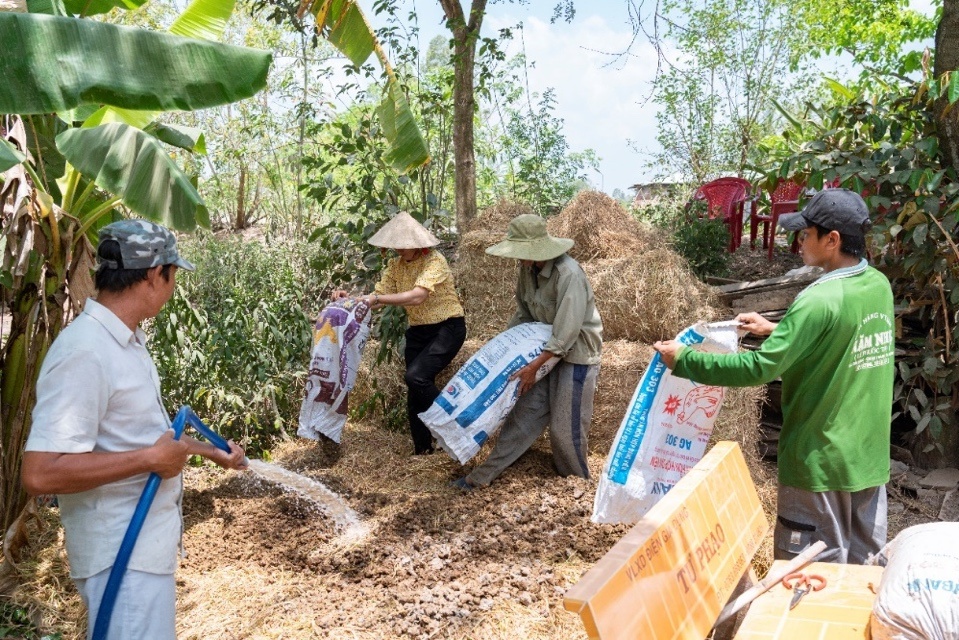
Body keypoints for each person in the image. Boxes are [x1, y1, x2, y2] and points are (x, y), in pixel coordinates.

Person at [21, 220, 248, 640]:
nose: (174, 286)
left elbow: (144, 441)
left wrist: (207, 450)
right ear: (152, 274)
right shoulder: (85, 351)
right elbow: (40, 473)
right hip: (120, 560)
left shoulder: (124, 341)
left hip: (141, 552)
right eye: (173, 274)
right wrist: (148, 460)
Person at [653, 189, 895, 564]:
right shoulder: (877, 285)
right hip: (867, 460)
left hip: (819, 462)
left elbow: (759, 368)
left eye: (806, 233)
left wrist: (686, 360)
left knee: (807, 576)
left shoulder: (817, 300)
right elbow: (840, 338)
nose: (798, 241)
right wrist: (777, 330)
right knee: (864, 574)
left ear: (832, 240)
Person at [453, 214, 603, 490]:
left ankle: (578, 487)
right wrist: (502, 350)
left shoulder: (568, 273)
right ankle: (482, 476)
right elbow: (523, 315)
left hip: (575, 355)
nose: (518, 259)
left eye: (522, 253)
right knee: (524, 416)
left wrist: (534, 367)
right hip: (541, 350)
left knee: (564, 429)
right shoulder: (527, 270)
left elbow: (566, 333)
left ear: (537, 250)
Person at [334, 211, 466, 455]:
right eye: (395, 246)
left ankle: (454, 426)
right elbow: (378, 296)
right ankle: (423, 449)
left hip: (447, 328)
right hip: (418, 331)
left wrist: (375, 297)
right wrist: (351, 299)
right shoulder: (395, 266)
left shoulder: (435, 261)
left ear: (417, 243)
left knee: (416, 377)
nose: (398, 250)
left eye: (403, 245)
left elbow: (417, 296)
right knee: (415, 389)